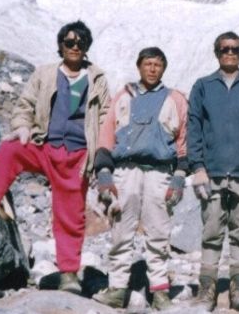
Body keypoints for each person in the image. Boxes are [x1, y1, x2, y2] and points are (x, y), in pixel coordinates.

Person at [0, 20, 110, 294]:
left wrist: (102, 156)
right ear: (61, 45)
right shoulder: (45, 73)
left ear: (86, 47)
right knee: (11, 149)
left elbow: (107, 118)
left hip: (78, 155)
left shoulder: (97, 79)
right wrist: (22, 127)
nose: (75, 47)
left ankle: (69, 274)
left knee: (70, 215)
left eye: (80, 43)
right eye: (69, 42)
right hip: (44, 145)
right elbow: (24, 104)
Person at [92, 47, 188, 311]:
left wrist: (179, 176)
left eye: (158, 64)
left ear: (164, 68)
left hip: (159, 172)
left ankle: (159, 291)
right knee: (122, 229)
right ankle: (117, 288)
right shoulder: (123, 96)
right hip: (125, 171)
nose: (152, 69)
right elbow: (107, 134)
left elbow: (183, 142)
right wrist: (103, 171)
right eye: (148, 63)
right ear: (139, 66)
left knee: (158, 231)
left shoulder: (176, 99)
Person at [186, 31, 239, 311]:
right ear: (216, 52)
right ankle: (207, 288)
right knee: (211, 231)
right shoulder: (203, 86)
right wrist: (197, 167)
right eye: (224, 49)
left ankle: (238, 287)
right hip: (212, 173)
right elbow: (193, 127)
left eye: (235, 49)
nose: (230, 52)